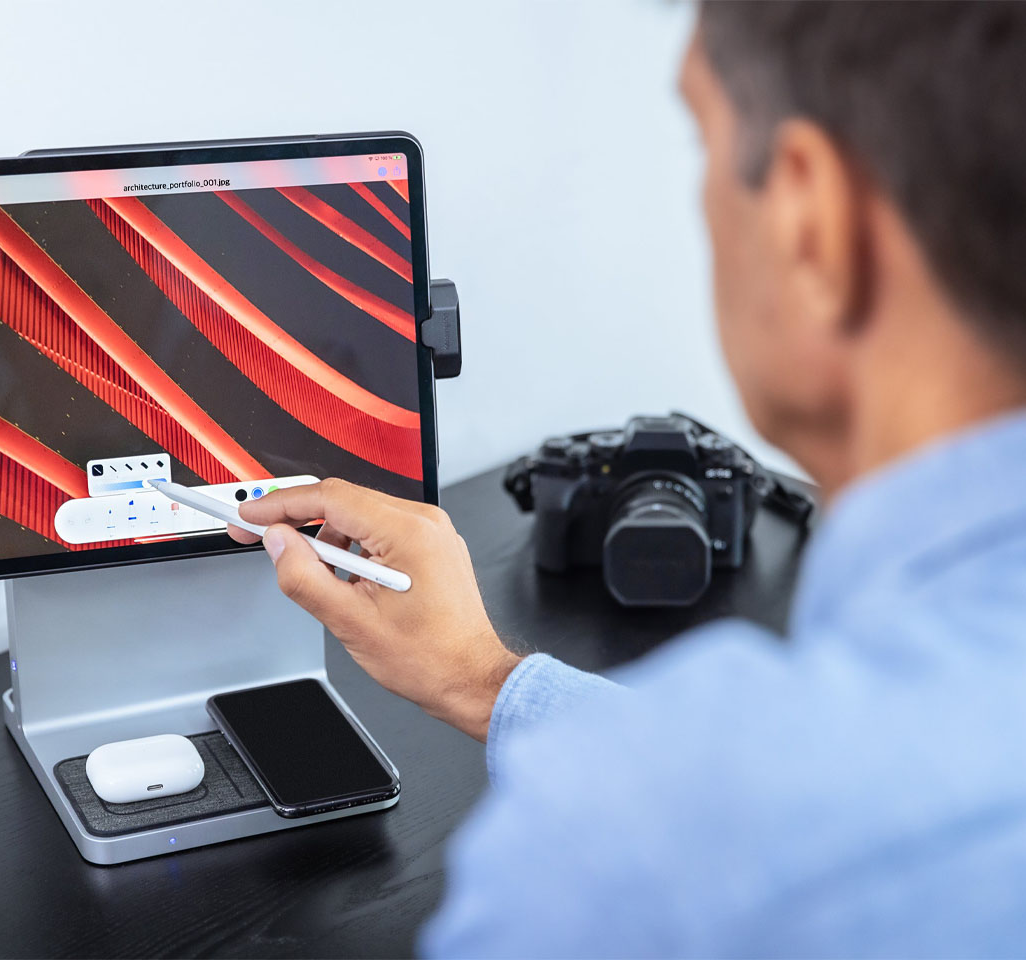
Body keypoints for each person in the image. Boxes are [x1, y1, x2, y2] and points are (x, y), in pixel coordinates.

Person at [231, 2, 1026, 955]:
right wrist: (488, 682)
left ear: (814, 225)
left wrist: (626, 804)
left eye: (703, 140)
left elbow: (722, 822)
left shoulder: (617, 863)